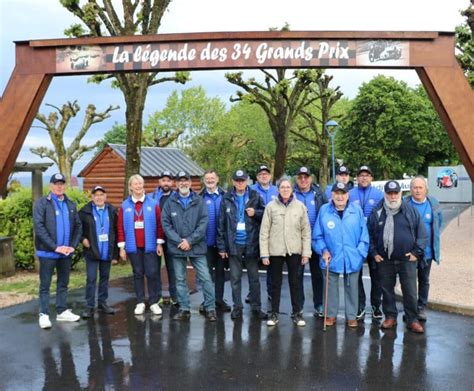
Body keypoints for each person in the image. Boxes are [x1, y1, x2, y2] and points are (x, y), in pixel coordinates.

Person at [368, 180, 427, 333]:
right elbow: (368, 235)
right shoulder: (377, 212)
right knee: (387, 290)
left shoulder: (410, 210)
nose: (393, 196)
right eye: (390, 193)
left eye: (396, 193)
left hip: (406, 259)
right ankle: (390, 317)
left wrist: (416, 252)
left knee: (410, 291)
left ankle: (412, 319)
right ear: (385, 194)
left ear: (400, 193)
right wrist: (374, 253)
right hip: (384, 259)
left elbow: (422, 233)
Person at [161, 170, 217, 321]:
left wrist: (190, 241)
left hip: (197, 247)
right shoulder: (170, 202)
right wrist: (179, 241)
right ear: (177, 184)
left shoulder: (199, 201)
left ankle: (210, 308)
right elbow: (166, 224)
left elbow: (203, 223)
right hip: (177, 248)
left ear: (191, 183)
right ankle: (184, 308)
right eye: (180, 181)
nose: (183, 183)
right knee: (180, 279)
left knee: (205, 278)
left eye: (186, 180)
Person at [313, 182, 369, 328]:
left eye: (343, 193)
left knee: (352, 288)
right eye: (337, 193)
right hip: (331, 257)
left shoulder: (356, 210)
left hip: (352, 256)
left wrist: (360, 253)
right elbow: (317, 236)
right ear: (331, 195)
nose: (340, 196)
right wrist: (323, 250)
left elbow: (364, 236)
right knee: (330, 288)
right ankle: (330, 315)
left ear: (348, 195)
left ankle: (351, 316)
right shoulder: (324, 210)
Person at [33, 173, 82, 329]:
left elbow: (78, 227)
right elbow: (39, 227)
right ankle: (44, 314)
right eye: (56, 183)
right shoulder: (41, 204)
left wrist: (73, 246)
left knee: (63, 283)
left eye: (62, 183)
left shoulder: (71, 204)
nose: (59, 186)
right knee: (45, 285)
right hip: (48, 253)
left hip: (66, 253)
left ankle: (61, 311)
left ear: (65, 186)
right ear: (51, 186)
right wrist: (55, 247)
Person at [260, 178, 311, 327]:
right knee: (275, 284)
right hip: (275, 251)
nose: (285, 189)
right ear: (278, 190)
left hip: (294, 250)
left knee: (295, 283)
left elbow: (306, 231)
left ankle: (297, 313)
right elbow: (264, 232)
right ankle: (274, 313)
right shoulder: (270, 207)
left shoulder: (300, 206)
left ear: (292, 189)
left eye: (288, 187)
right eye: (282, 187)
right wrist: (264, 254)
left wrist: (306, 253)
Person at [217, 169, 267, 320]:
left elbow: (265, 215)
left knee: (254, 278)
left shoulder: (255, 196)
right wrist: (221, 247)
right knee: (235, 279)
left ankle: (256, 308)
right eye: (237, 180)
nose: (240, 183)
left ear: (247, 181)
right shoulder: (226, 198)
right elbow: (221, 224)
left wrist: (256, 213)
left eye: (242, 180)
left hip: (251, 242)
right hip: (234, 244)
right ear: (233, 182)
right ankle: (237, 307)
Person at [118, 174, 165, 316]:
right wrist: (121, 247)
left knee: (152, 273)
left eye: (140, 183)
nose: (138, 186)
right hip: (133, 246)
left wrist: (159, 244)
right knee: (138, 274)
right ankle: (139, 302)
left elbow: (159, 225)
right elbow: (120, 226)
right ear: (130, 187)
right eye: (135, 184)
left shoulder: (153, 203)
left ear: (143, 185)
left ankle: (154, 302)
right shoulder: (124, 205)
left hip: (150, 245)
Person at [405, 175, 443, 321]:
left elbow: (438, 224)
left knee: (424, 280)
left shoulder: (433, 204)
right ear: (411, 189)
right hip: (409, 252)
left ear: (426, 189)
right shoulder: (405, 204)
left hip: (426, 253)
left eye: (421, 187)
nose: (418, 190)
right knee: (408, 281)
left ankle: (421, 307)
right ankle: (410, 309)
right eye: (415, 187)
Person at [349, 165, 384, 320]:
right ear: (357, 178)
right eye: (361, 175)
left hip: (374, 242)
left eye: (367, 175)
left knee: (377, 276)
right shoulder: (350, 194)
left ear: (371, 178)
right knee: (356, 275)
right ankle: (360, 305)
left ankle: (376, 306)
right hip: (356, 241)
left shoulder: (378, 195)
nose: (364, 178)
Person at [79, 185, 118, 319]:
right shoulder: (84, 212)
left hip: (106, 251)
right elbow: (78, 229)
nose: (99, 197)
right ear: (92, 197)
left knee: (104, 278)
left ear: (105, 197)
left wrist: (115, 254)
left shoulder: (112, 210)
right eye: (96, 195)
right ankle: (90, 306)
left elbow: (116, 232)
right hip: (92, 251)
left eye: (101, 195)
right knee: (91, 279)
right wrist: (82, 239)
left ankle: (102, 303)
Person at [293, 166, 328, 318]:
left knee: (317, 275)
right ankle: (298, 305)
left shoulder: (319, 194)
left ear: (310, 179)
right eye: (300, 177)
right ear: (296, 179)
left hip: (316, 240)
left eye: (305, 177)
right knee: (297, 275)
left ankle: (319, 304)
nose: (303, 180)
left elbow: (326, 213)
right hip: (298, 241)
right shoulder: (291, 193)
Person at [199, 170, 230, 312]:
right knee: (206, 275)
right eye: (207, 178)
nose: (210, 180)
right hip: (205, 243)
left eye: (212, 178)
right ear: (204, 180)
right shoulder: (199, 197)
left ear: (217, 179)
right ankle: (207, 301)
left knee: (220, 273)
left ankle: (218, 299)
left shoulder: (226, 196)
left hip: (222, 243)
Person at [251, 164, 279, 303]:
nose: (264, 176)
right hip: (256, 232)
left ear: (270, 176)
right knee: (253, 265)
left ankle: (270, 291)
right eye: (261, 174)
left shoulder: (276, 190)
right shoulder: (251, 190)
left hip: (274, 233)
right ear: (257, 177)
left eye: (266, 174)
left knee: (271, 264)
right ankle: (252, 292)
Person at [156, 170, 178, 306]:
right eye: (163, 180)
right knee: (155, 268)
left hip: (172, 237)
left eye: (168, 180)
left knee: (172, 268)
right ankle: (157, 296)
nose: (166, 183)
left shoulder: (176, 197)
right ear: (159, 182)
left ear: (172, 183)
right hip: (156, 237)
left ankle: (174, 296)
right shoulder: (152, 197)